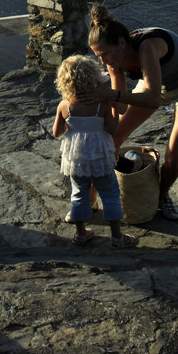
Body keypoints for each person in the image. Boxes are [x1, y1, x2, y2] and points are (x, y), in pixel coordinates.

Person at [83, 2, 178, 220]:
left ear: (122, 43)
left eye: (104, 54)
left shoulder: (147, 46)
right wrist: (103, 103)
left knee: (173, 154)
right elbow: (120, 107)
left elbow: (152, 99)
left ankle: (162, 195)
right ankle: (90, 200)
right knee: (112, 139)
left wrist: (112, 96)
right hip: (154, 85)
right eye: (97, 56)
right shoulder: (113, 59)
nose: (102, 61)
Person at [53, 54, 137, 249]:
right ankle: (116, 237)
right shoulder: (103, 106)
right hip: (100, 158)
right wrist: (114, 109)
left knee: (79, 194)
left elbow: (57, 132)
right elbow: (113, 130)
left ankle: (81, 233)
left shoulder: (64, 106)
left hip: (77, 159)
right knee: (110, 194)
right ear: (93, 79)